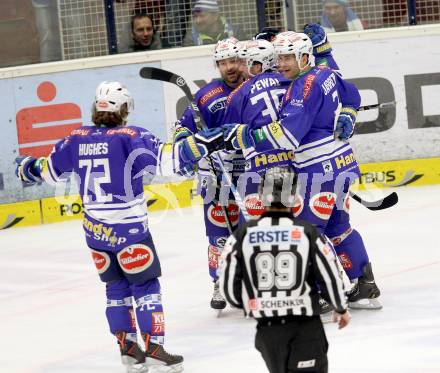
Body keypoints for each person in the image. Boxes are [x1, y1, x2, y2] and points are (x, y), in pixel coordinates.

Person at [14, 81, 223, 373]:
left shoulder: (76, 137)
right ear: (124, 109)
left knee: (116, 287)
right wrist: (201, 144)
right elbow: (169, 163)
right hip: (129, 230)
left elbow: (48, 171)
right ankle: (153, 347)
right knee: (146, 285)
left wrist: (27, 167)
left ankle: (127, 347)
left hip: (95, 230)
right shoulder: (131, 136)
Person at [221, 32, 382, 310]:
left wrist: (248, 136)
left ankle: (322, 294)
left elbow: (286, 136)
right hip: (342, 164)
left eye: (286, 58)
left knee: (310, 233)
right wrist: (349, 114)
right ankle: (364, 285)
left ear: (304, 57)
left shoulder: (301, 87)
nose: (281, 64)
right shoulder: (324, 71)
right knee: (338, 227)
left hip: (317, 170)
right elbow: (351, 94)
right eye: (279, 57)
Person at [218, 166, 350, 373]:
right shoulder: (307, 233)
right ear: (294, 196)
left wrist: (252, 303)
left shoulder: (241, 236)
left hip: (267, 332)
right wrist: (340, 307)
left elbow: (227, 286)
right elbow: (330, 276)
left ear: (261, 196)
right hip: (304, 327)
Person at [174, 37, 246, 311]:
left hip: (248, 171)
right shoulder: (205, 96)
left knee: (249, 229)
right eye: (224, 62)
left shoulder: (253, 88)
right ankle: (219, 280)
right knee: (218, 233)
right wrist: (187, 143)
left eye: (234, 61)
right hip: (214, 173)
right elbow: (182, 129)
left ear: (244, 61)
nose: (230, 67)